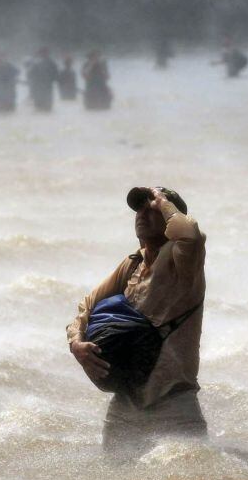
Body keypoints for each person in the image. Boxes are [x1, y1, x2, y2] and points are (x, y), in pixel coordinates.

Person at [67, 187, 206, 457]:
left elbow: (190, 234)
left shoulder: (184, 261)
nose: (142, 214)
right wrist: (77, 344)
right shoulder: (132, 263)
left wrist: (162, 201)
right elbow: (87, 307)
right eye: (140, 209)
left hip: (174, 404)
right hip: (125, 404)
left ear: (169, 217)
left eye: (151, 210)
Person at [25, 47, 59, 112]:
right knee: (40, 106)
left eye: (45, 53)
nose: (43, 54)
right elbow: (30, 74)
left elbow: (56, 74)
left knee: (45, 107)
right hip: (39, 88)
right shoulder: (36, 63)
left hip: (46, 87)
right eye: (42, 53)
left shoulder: (50, 63)